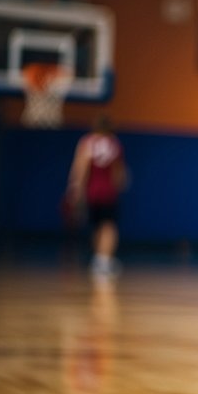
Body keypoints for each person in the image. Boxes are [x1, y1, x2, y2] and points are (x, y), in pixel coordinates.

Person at [67, 114, 127, 278]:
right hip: (108, 191)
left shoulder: (87, 142)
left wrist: (75, 189)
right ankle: (104, 260)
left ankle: (98, 259)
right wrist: (120, 185)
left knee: (97, 225)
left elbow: (80, 168)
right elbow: (119, 173)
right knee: (109, 225)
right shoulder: (114, 144)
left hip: (92, 191)